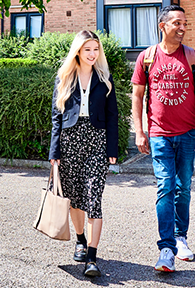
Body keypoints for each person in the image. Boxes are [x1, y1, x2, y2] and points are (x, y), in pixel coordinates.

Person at [130, 5, 195, 272]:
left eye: (184, 23)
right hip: (159, 135)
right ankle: (166, 248)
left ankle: (180, 237)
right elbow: (137, 97)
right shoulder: (147, 57)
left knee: (183, 188)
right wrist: (139, 131)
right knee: (165, 186)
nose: (182, 28)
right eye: (177, 23)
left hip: (188, 134)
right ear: (162, 26)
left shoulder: (192, 57)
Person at [49, 30, 120, 278]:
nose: (93, 54)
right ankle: (80, 239)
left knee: (93, 197)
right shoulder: (64, 78)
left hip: (97, 141)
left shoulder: (105, 78)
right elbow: (56, 117)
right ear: (78, 51)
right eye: (88, 49)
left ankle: (91, 257)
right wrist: (54, 150)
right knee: (74, 197)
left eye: (96, 49)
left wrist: (113, 148)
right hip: (70, 141)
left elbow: (113, 116)